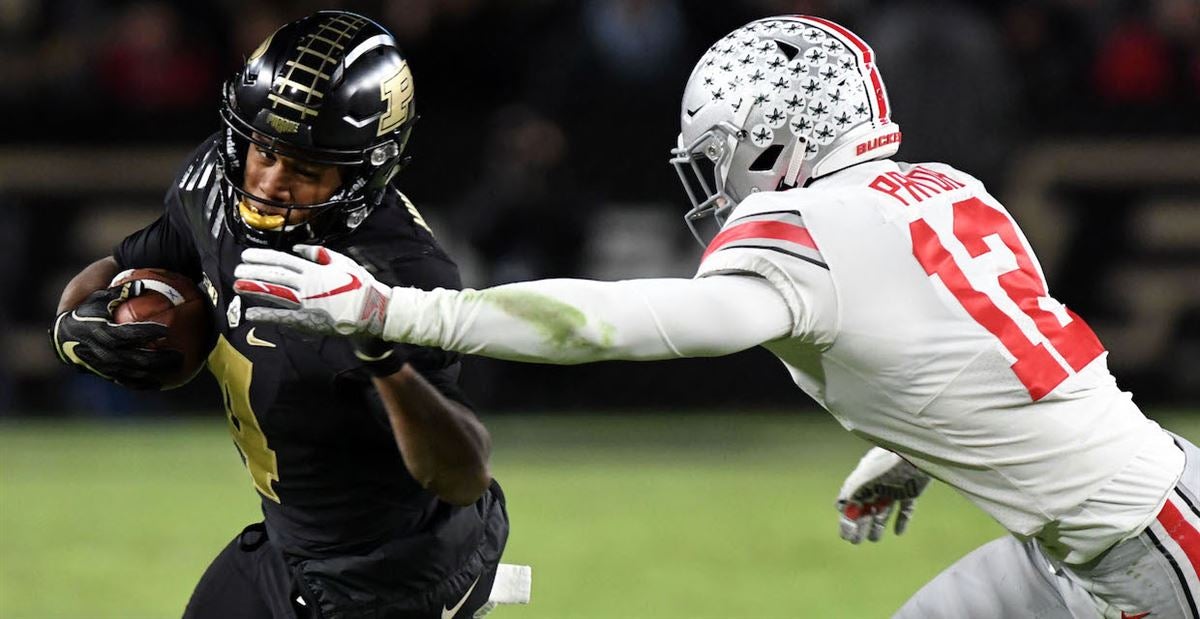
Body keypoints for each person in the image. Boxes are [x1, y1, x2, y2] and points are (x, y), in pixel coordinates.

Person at [234, 14, 1200, 618]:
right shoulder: (937, 185)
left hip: (1145, 552)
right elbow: (1025, 350)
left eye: (717, 156)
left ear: (774, 140)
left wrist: (391, 305)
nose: (713, 184)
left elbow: (617, 325)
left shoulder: (808, 220)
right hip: (1128, 517)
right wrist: (917, 445)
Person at [49, 11, 522, 618]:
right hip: (293, 544)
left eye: (304, 167)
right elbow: (123, 262)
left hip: (395, 577)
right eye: (264, 150)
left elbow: (462, 475)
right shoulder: (214, 185)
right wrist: (73, 326)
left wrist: (377, 347)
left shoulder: (394, 270)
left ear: (362, 173)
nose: (270, 181)